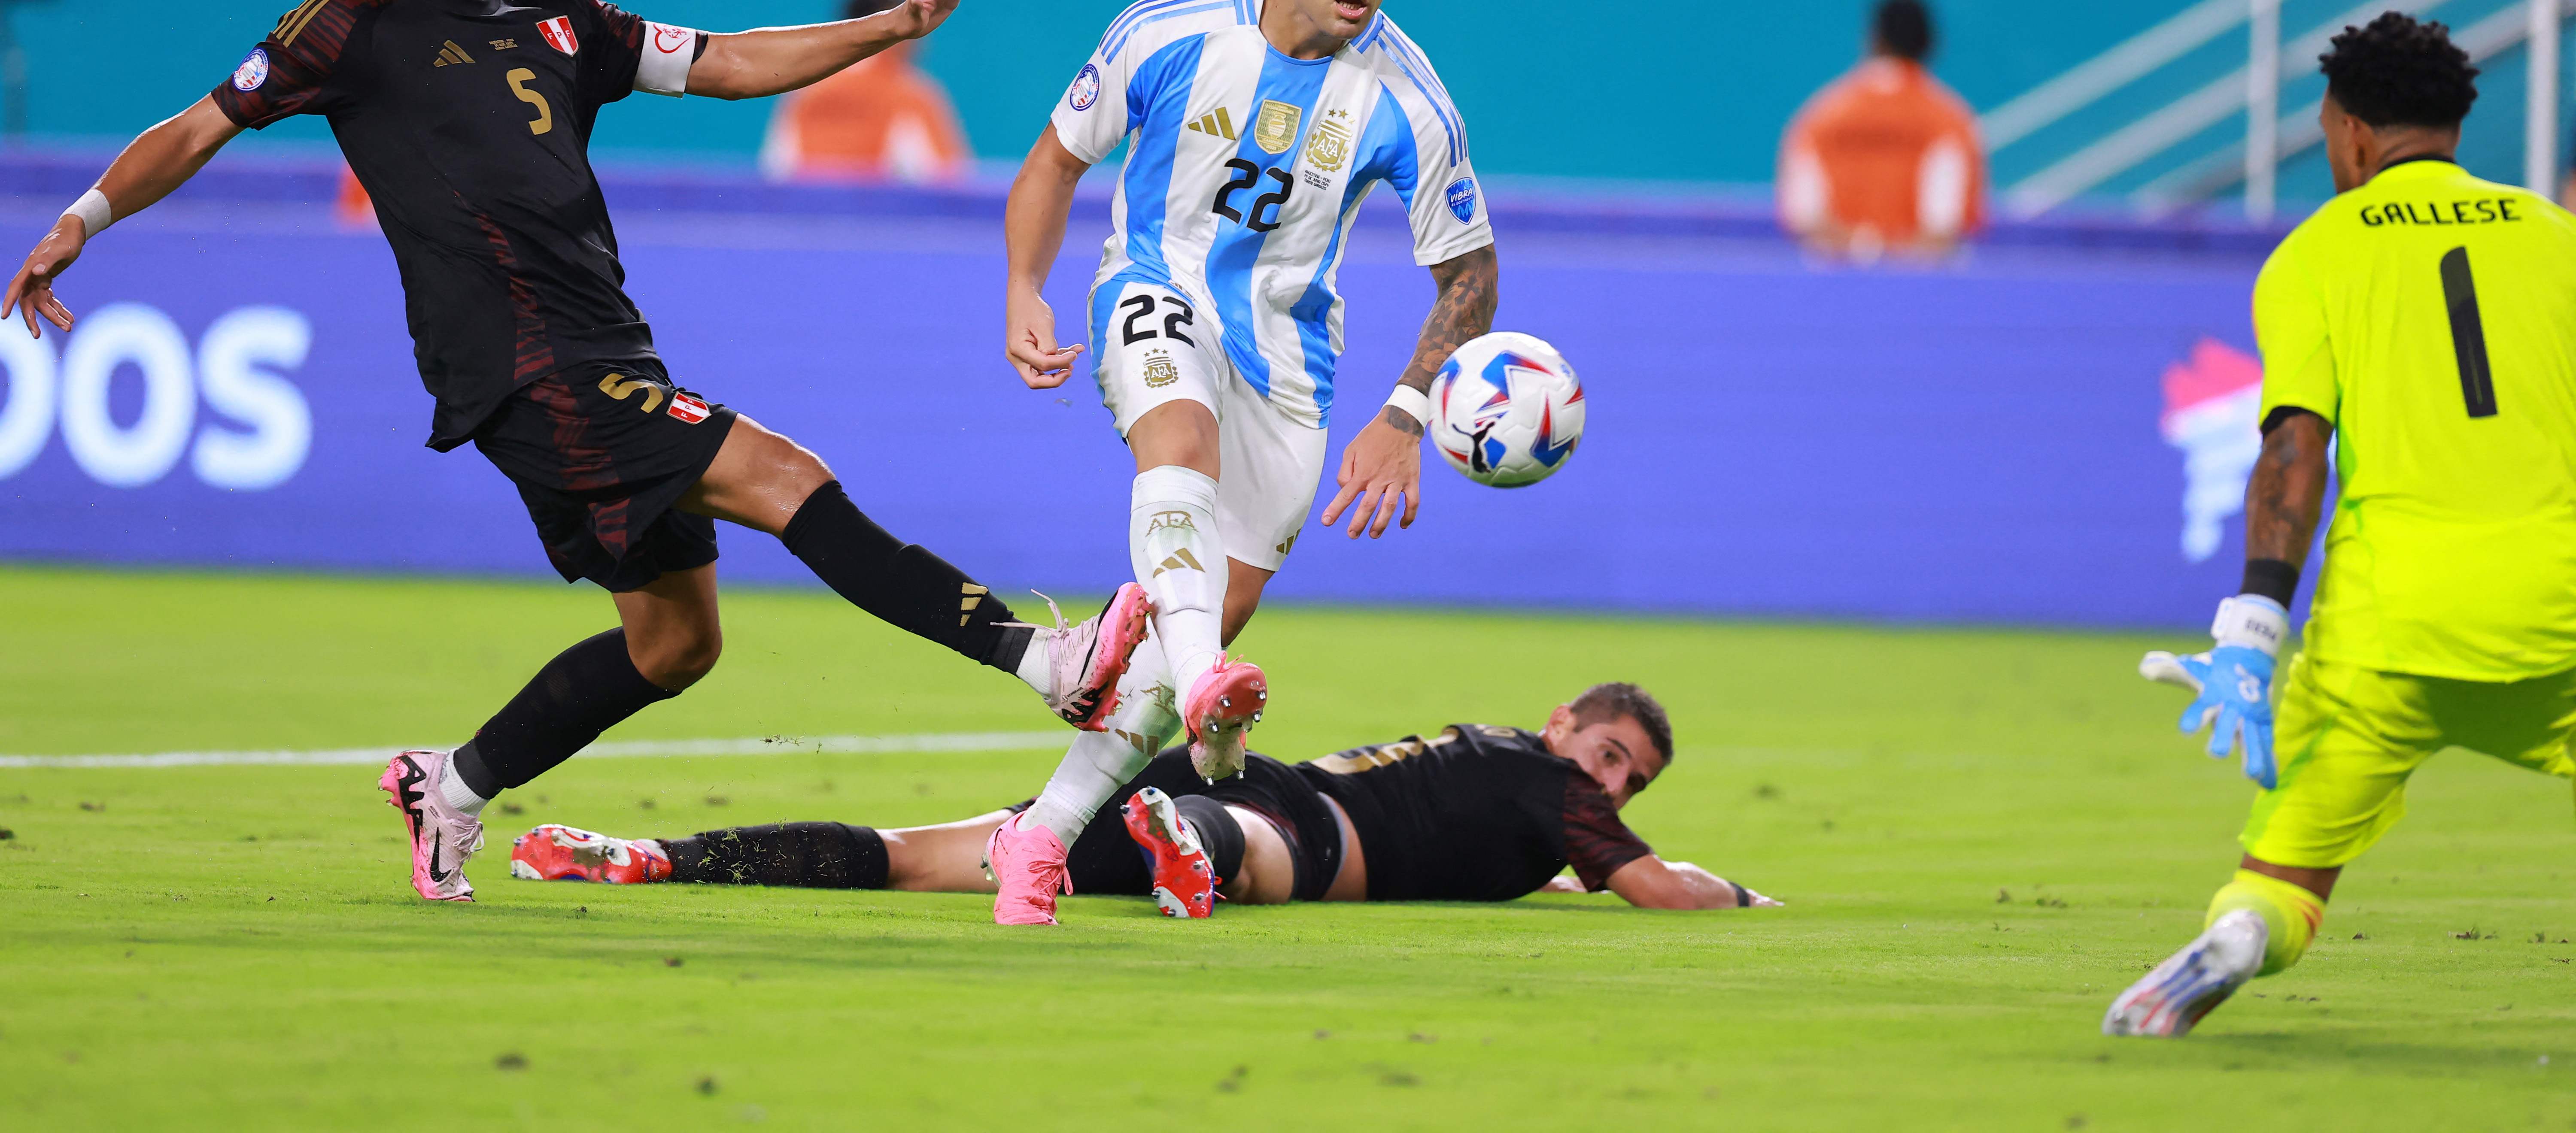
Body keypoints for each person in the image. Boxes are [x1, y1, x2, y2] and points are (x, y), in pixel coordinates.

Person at [0, 0, 1148, 906]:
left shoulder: (561, 19)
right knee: (787, 477)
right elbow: (199, 125)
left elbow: (728, 62)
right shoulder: (352, 28)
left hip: (609, 356)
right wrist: (80, 220)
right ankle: (1041, 661)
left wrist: (888, 31)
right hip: (521, 371)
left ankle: (448, 786)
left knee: (674, 644)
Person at [990, 0, 1499, 927]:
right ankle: (1215, 702)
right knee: (1177, 441)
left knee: (1180, 658)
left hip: (1290, 367)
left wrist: (1405, 414)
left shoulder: (1408, 102)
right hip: (1154, 286)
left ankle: (1038, 839)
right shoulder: (1169, 28)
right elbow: (1055, 161)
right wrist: (1024, 288)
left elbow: (1472, 276)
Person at [2105, 13, 2576, 1038]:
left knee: (2280, 873)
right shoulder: (2556, 237)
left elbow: (2292, 456)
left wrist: (2253, 628)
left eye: (2326, 130)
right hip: (2558, 614)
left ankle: (2234, 940)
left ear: (2355, 132)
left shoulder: (2313, 256)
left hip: (2388, 632)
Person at [510, 682, 1778, 916]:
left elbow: (1534, 861)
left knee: (920, 855)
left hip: (1238, 775)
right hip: (1287, 823)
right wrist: (1740, 886)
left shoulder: (1494, 757)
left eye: (1628, 778)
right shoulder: (1560, 799)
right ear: (1566, 728)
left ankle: (655, 858)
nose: (1608, 781)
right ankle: (1196, 844)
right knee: (1281, 855)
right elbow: (1655, 887)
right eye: (1609, 752)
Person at [1777, 0, 1985, 258]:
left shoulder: (1819, 118)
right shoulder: (1952, 121)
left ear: (1873, 39)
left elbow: (1809, 221)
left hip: (1834, 293)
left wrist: (1863, 253)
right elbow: (1944, 231)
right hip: (1921, 295)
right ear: (1930, 43)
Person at [759, 0, 972, 182]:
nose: (923, 37)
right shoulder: (910, 93)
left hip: (806, 215)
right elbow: (946, 183)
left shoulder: (805, 87)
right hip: (882, 217)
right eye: (916, 20)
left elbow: (776, 167)